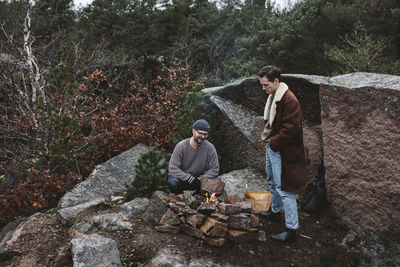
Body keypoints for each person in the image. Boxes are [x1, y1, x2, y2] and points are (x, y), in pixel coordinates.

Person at [258, 65, 307, 243]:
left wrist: (272, 143)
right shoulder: (274, 96)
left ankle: (291, 230)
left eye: (266, 85)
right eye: (262, 85)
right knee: (272, 181)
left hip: (285, 151)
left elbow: (291, 130)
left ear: (276, 81)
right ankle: (275, 213)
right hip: (274, 148)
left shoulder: (289, 100)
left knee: (285, 189)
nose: (263, 89)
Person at [168, 119, 220, 194]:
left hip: (200, 182)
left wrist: (201, 179)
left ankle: (199, 196)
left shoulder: (210, 148)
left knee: (217, 181)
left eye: (205, 134)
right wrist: (189, 178)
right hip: (183, 180)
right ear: (193, 131)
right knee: (172, 182)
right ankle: (180, 198)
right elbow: (173, 169)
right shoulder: (181, 146)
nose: (203, 136)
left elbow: (214, 169)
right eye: (200, 133)